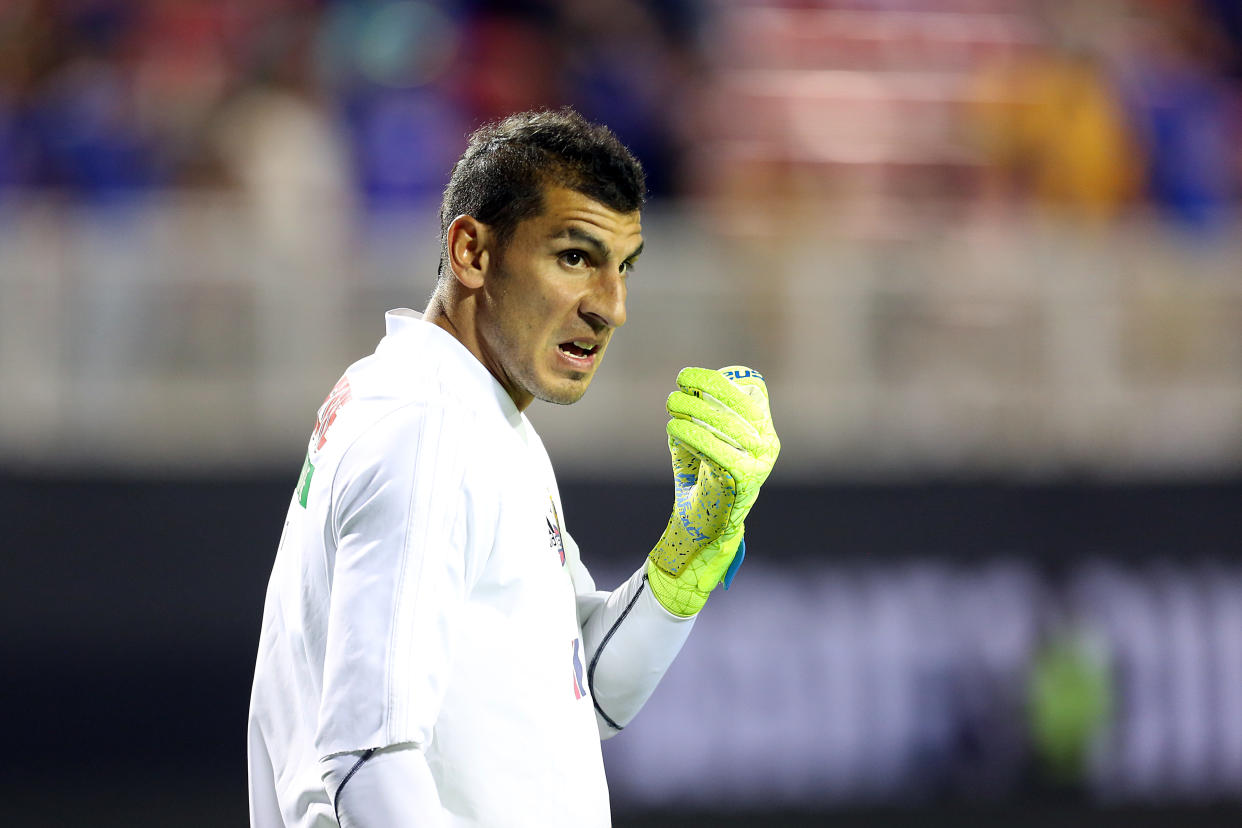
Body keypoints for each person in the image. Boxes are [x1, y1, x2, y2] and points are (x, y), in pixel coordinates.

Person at [246, 108, 780, 827]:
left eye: (623, 267)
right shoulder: (428, 429)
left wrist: (688, 556)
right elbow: (368, 761)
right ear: (471, 251)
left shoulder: (472, 413)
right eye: (574, 257)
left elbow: (576, 691)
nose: (612, 308)